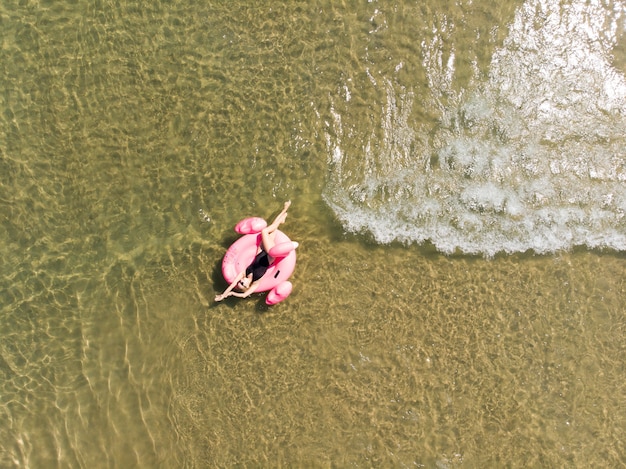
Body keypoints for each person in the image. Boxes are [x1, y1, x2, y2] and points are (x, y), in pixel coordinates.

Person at [215, 201, 292, 301]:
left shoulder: (244, 273)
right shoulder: (256, 283)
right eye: (243, 284)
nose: (241, 281)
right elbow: (243, 295)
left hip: (260, 251)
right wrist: (233, 294)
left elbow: (232, 285)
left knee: (272, 230)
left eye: (240, 282)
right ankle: (285, 209)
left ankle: (282, 217)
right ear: (247, 286)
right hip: (270, 254)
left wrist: (223, 295)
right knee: (265, 231)